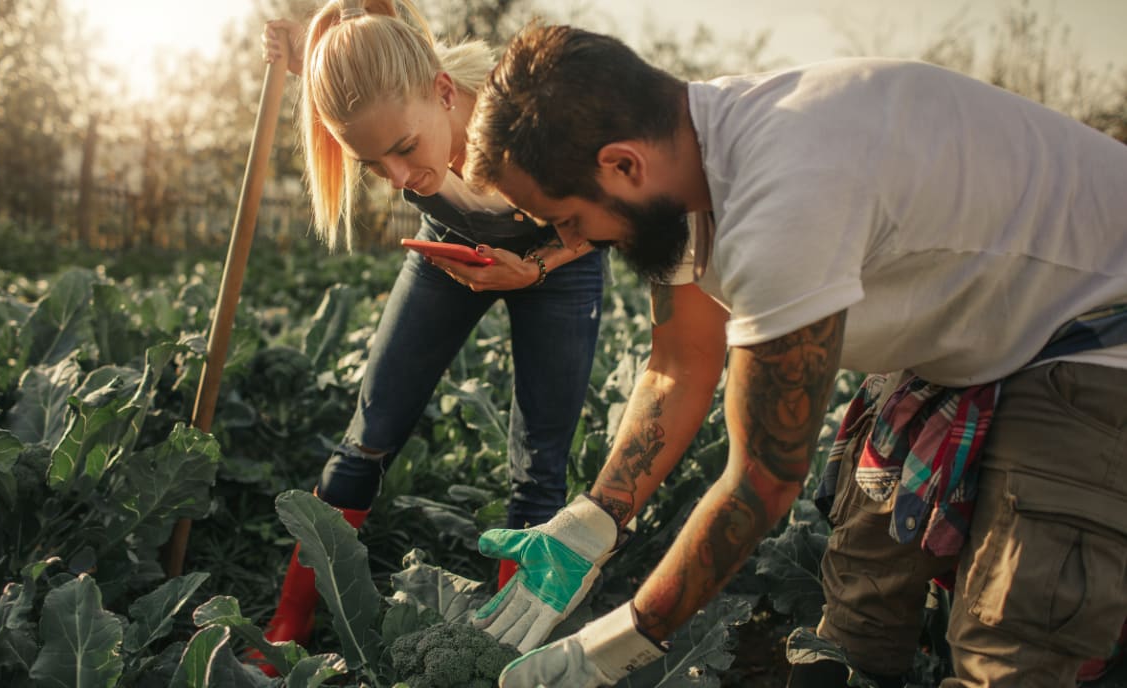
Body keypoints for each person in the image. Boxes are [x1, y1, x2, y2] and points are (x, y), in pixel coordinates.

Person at [460, 21, 1127, 688]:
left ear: (623, 164)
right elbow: (683, 363)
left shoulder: (785, 191)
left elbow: (765, 480)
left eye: (569, 218)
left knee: (1014, 644)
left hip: (1097, 332)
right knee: (860, 609)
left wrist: (617, 643)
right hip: (985, 335)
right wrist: (593, 522)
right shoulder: (690, 167)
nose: (573, 240)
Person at [252, 2, 606, 674]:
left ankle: (507, 651)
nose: (398, 179)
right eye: (372, 164)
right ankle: (288, 622)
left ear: (445, 93)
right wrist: (304, 52)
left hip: (561, 260)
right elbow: (368, 62)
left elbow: (606, 214)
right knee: (369, 432)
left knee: (540, 461)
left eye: (406, 150)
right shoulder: (397, 98)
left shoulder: (539, 120)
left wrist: (532, 268)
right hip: (451, 248)